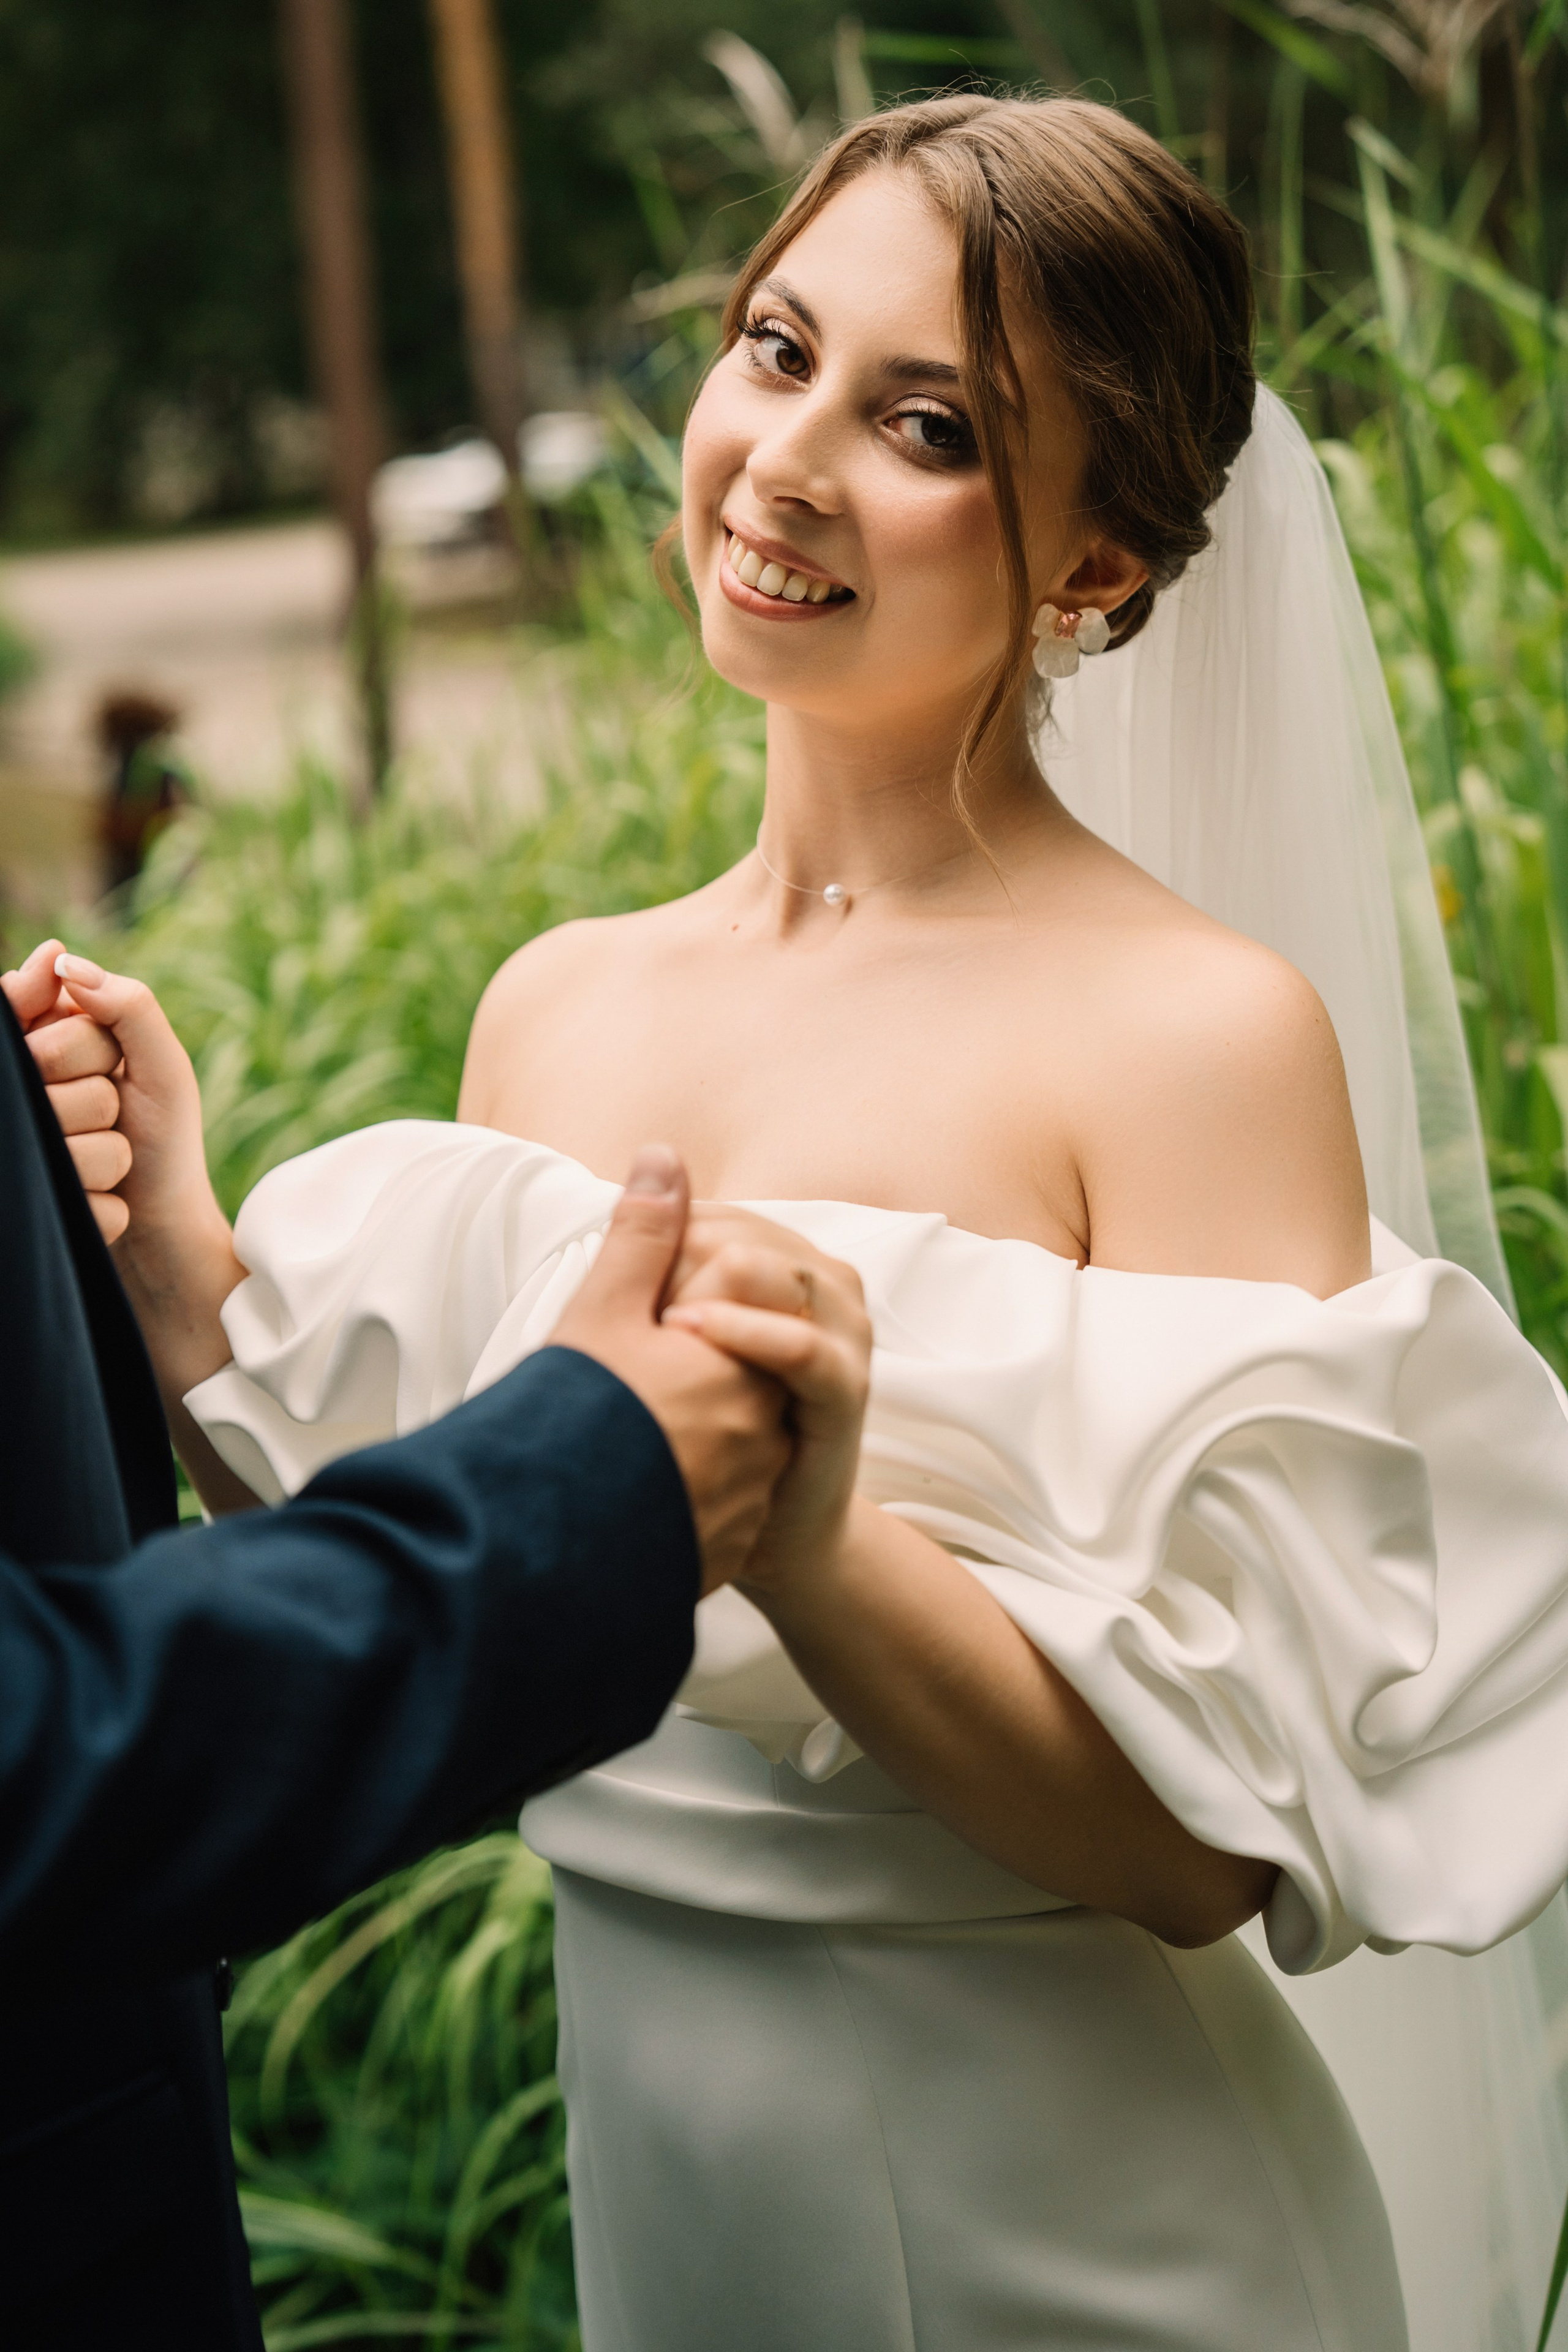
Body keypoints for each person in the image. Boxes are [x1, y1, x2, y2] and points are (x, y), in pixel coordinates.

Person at [36, 92, 1568, 2352]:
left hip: (1083, 2228)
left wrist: (815, 1523)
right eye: (775, 348)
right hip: (677, 2202)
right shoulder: (557, 1009)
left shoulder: (1195, 1037)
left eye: (928, 421)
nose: (787, 460)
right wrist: (171, 1234)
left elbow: (1203, 1849)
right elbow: (440, 1569)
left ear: (1096, 566)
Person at [0, 944, 870, 2352]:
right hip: (651, 2133)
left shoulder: (1200, 1027)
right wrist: (601, 1486)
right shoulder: (552, 997)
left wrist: (128, 1234)